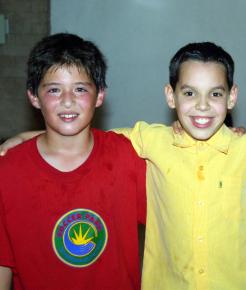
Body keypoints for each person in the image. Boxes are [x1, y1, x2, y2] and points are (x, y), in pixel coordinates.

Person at [0, 41, 246, 289]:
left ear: (231, 97)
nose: (202, 105)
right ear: (170, 95)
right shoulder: (151, 140)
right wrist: (32, 137)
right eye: (189, 93)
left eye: (215, 93)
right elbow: (81, 132)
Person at [0, 33, 146, 290]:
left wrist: (238, 137)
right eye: (54, 90)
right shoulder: (8, 172)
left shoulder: (127, 157)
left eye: (80, 89)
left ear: (100, 96)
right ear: (34, 97)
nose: (68, 100)